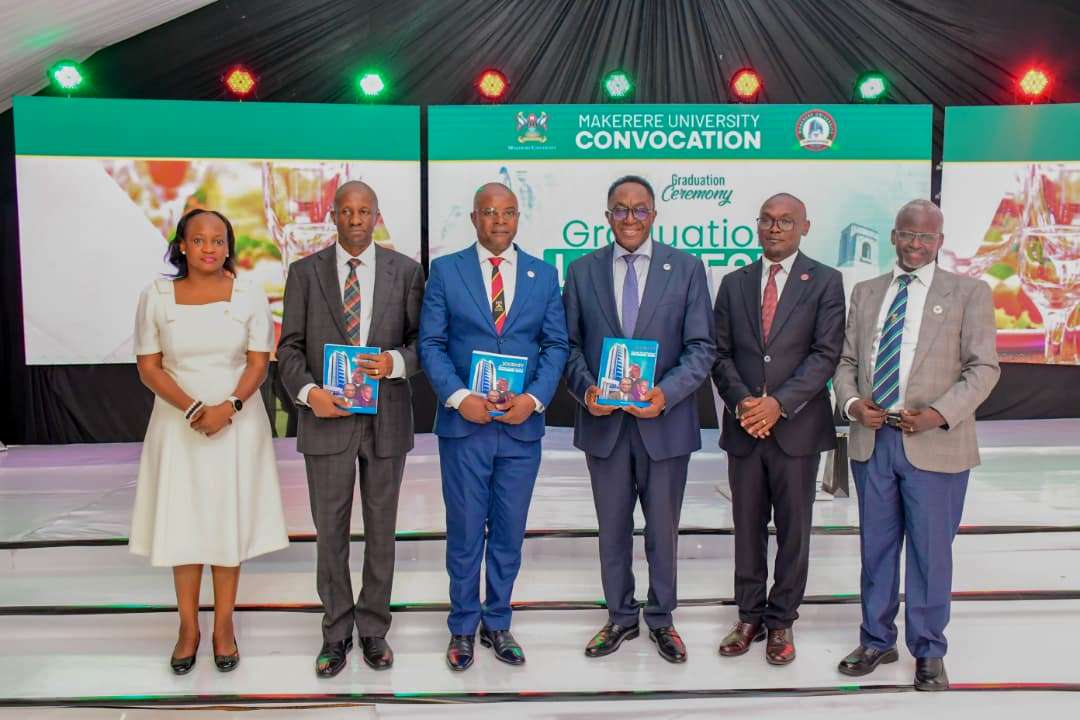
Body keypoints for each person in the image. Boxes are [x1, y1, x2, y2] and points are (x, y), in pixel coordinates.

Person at [833, 200, 1000, 691]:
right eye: (908, 235)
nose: (915, 244)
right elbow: (845, 362)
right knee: (876, 550)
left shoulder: (970, 292)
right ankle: (875, 640)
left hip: (936, 445)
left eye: (926, 238)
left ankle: (928, 649)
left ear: (940, 242)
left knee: (930, 554)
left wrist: (939, 414)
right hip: (873, 441)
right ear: (894, 236)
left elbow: (984, 368)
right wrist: (850, 405)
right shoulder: (866, 292)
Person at [563, 175, 715, 664]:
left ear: (655, 214)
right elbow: (566, 345)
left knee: (662, 530)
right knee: (612, 529)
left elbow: (700, 348)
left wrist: (664, 394)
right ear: (607, 216)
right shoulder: (582, 271)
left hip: (663, 424)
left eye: (640, 209)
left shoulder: (687, 268)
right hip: (605, 426)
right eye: (621, 210)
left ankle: (662, 618)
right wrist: (588, 390)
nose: (631, 219)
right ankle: (620, 616)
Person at [130, 208, 289, 675]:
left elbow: (259, 363)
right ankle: (187, 628)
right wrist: (195, 409)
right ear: (181, 245)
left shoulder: (249, 293)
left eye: (218, 241)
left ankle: (223, 626)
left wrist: (230, 407)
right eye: (198, 240)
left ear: (229, 246)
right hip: (179, 423)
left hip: (236, 422)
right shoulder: (155, 295)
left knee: (226, 526)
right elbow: (149, 366)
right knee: (184, 526)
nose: (209, 248)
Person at [277, 181, 425, 677]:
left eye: (365, 211)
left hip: (387, 420)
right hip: (326, 418)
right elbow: (290, 350)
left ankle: (374, 629)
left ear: (377, 215)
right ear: (333, 216)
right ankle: (336, 632)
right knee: (330, 533)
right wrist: (309, 394)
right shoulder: (303, 272)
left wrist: (394, 363)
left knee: (382, 531)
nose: (356, 219)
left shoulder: (405, 271)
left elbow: (423, 343)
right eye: (347, 211)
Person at [419, 182, 568, 671]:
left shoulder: (544, 276)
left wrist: (534, 398)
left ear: (518, 217)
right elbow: (431, 345)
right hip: (466, 428)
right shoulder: (445, 271)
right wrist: (460, 398)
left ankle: (498, 622)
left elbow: (556, 347)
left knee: (508, 531)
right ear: (474, 218)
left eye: (507, 213)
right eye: (489, 212)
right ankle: (462, 626)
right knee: (464, 532)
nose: (499, 221)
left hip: (521, 428)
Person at [711, 193, 845, 665]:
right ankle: (748, 615)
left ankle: (781, 621)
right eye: (767, 220)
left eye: (785, 221)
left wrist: (778, 405)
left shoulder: (826, 281)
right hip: (745, 426)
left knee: (794, 529)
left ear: (804, 227)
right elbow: (720, 354)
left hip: (797, 429)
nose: (774, 228)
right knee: (746, 526)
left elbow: (825, 355)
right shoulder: (733, 283)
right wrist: (744, 402)